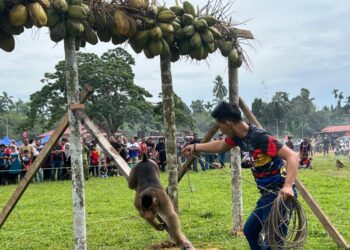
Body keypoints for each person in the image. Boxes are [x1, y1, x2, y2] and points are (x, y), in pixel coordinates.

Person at [182, 102, 299, 249]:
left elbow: (293, 157)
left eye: (220, 126)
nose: (221, 130)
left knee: (273, 243)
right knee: (250, 231)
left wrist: (288, 186)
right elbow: (220, 145)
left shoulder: (260, 137)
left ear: (228, 123)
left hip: (280, 195)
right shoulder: (238, 137)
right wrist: (195, 147)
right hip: (267, 195)